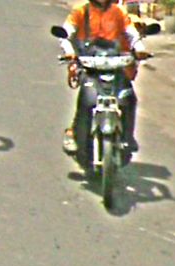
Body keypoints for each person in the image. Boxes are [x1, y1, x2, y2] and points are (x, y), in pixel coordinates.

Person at [59, 0, 147, 159]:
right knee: (86, 101)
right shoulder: (81, 11)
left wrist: (140, 49)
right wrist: (69, 52)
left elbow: (132, 33)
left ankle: (127, 137)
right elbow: (66, 34)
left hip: (114, 63)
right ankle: (75, 134)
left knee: (129, 99)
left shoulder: (119, 12)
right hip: (89, 64)